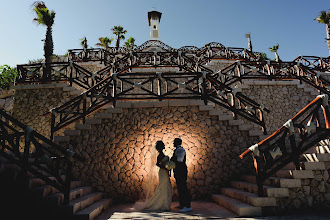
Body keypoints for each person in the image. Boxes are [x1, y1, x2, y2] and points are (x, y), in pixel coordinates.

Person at [143, 141, 172, 211]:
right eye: (162, 145)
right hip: (162, 172)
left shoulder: (162, 154)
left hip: (165, 172)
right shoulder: (160, 155)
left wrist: (169, 169)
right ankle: (163, 204)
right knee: (163, 186)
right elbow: (157, 164)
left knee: (166, 186)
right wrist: (165, 167)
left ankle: (165, 203)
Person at [171, 138, 192, 212]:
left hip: (181, 172)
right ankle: (182, 204)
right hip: (179, 172)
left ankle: (188, 205)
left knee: (183, 188)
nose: (173, 143)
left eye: (174, 142)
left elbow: (179, 161)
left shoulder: (180, 150)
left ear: (177, 143)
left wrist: (171, 162)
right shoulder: (177, 149)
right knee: (180, 188)